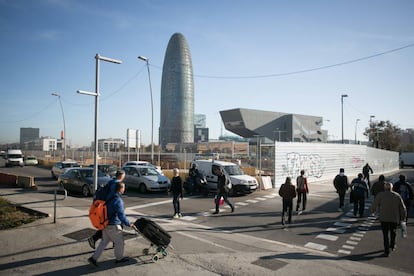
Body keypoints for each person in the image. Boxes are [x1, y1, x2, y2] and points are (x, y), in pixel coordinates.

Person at [88, 182, 133, 267]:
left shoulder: (109, 196)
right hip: (113, 225)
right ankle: (119, 259)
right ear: (120, 189)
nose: (124, 189)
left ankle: (93, 258)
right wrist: (128, 224)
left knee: (103, 242)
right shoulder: (118, 200)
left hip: (106, 223)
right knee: (120, 242)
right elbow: (121, 215)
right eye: (123, 188)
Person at [88, 169, 125, 249]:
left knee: (107, 226)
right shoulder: (115, 184)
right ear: (121, 176)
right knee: (115, 225)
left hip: (106, 207)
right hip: (110, 208)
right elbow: (113, 196)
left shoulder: (111, 182)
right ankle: (115, 243)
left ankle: (95, 239)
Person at [371, 182, 407, 257]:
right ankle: (393, 245)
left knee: (385, 234)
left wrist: (373, 211)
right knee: (393, 232)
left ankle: (386, 251)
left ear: (385, 188)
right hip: (394, 218)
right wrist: (403, 218)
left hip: (384, 218)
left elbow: (375, 204)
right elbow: (403, 208)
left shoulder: (381, 195)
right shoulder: (397, 196)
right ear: (392, 188)